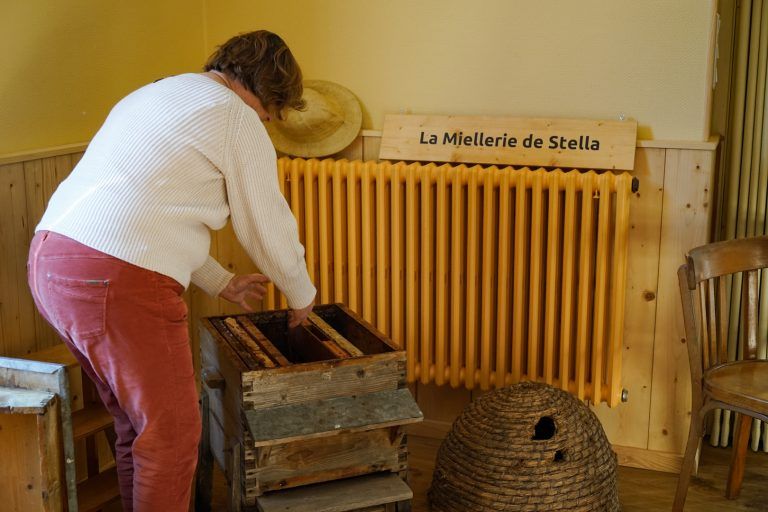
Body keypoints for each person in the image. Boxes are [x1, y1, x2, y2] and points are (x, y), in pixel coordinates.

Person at [27, 30, 316, 511]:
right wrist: (301, 293)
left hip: (52, 261)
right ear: (267, 92)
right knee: (175, 433)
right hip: (115, 279)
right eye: (270, 113)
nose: (266, 121)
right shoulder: (235, 116)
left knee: (137, 425)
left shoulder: (154, 93)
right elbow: (266, 221)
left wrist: (221, 281)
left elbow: (147, 210)